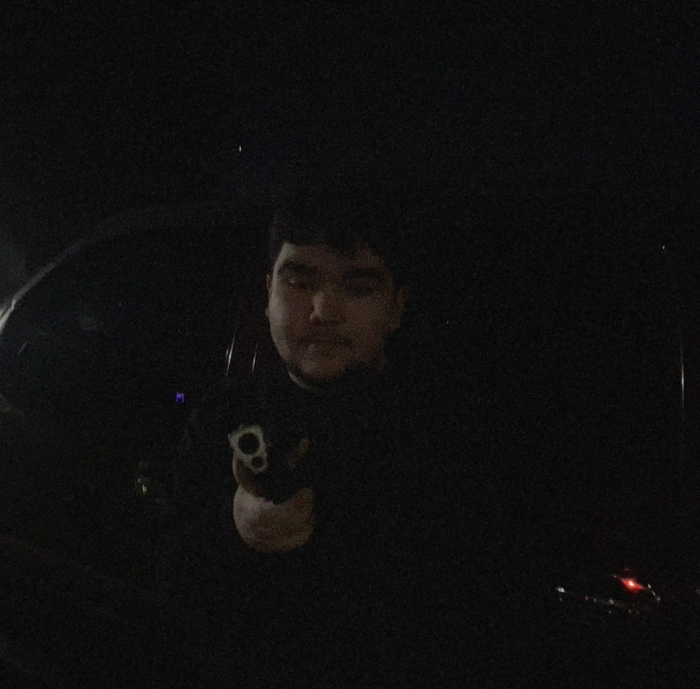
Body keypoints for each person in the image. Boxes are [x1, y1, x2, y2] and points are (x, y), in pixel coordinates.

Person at [160, 181, 485, 687]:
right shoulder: (223, 416)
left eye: (358, 287)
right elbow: (170, 574)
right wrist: (234, 525)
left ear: (396, 308)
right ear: (267, 294)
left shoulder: (445, 441)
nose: (323, 310)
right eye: (299, 280)